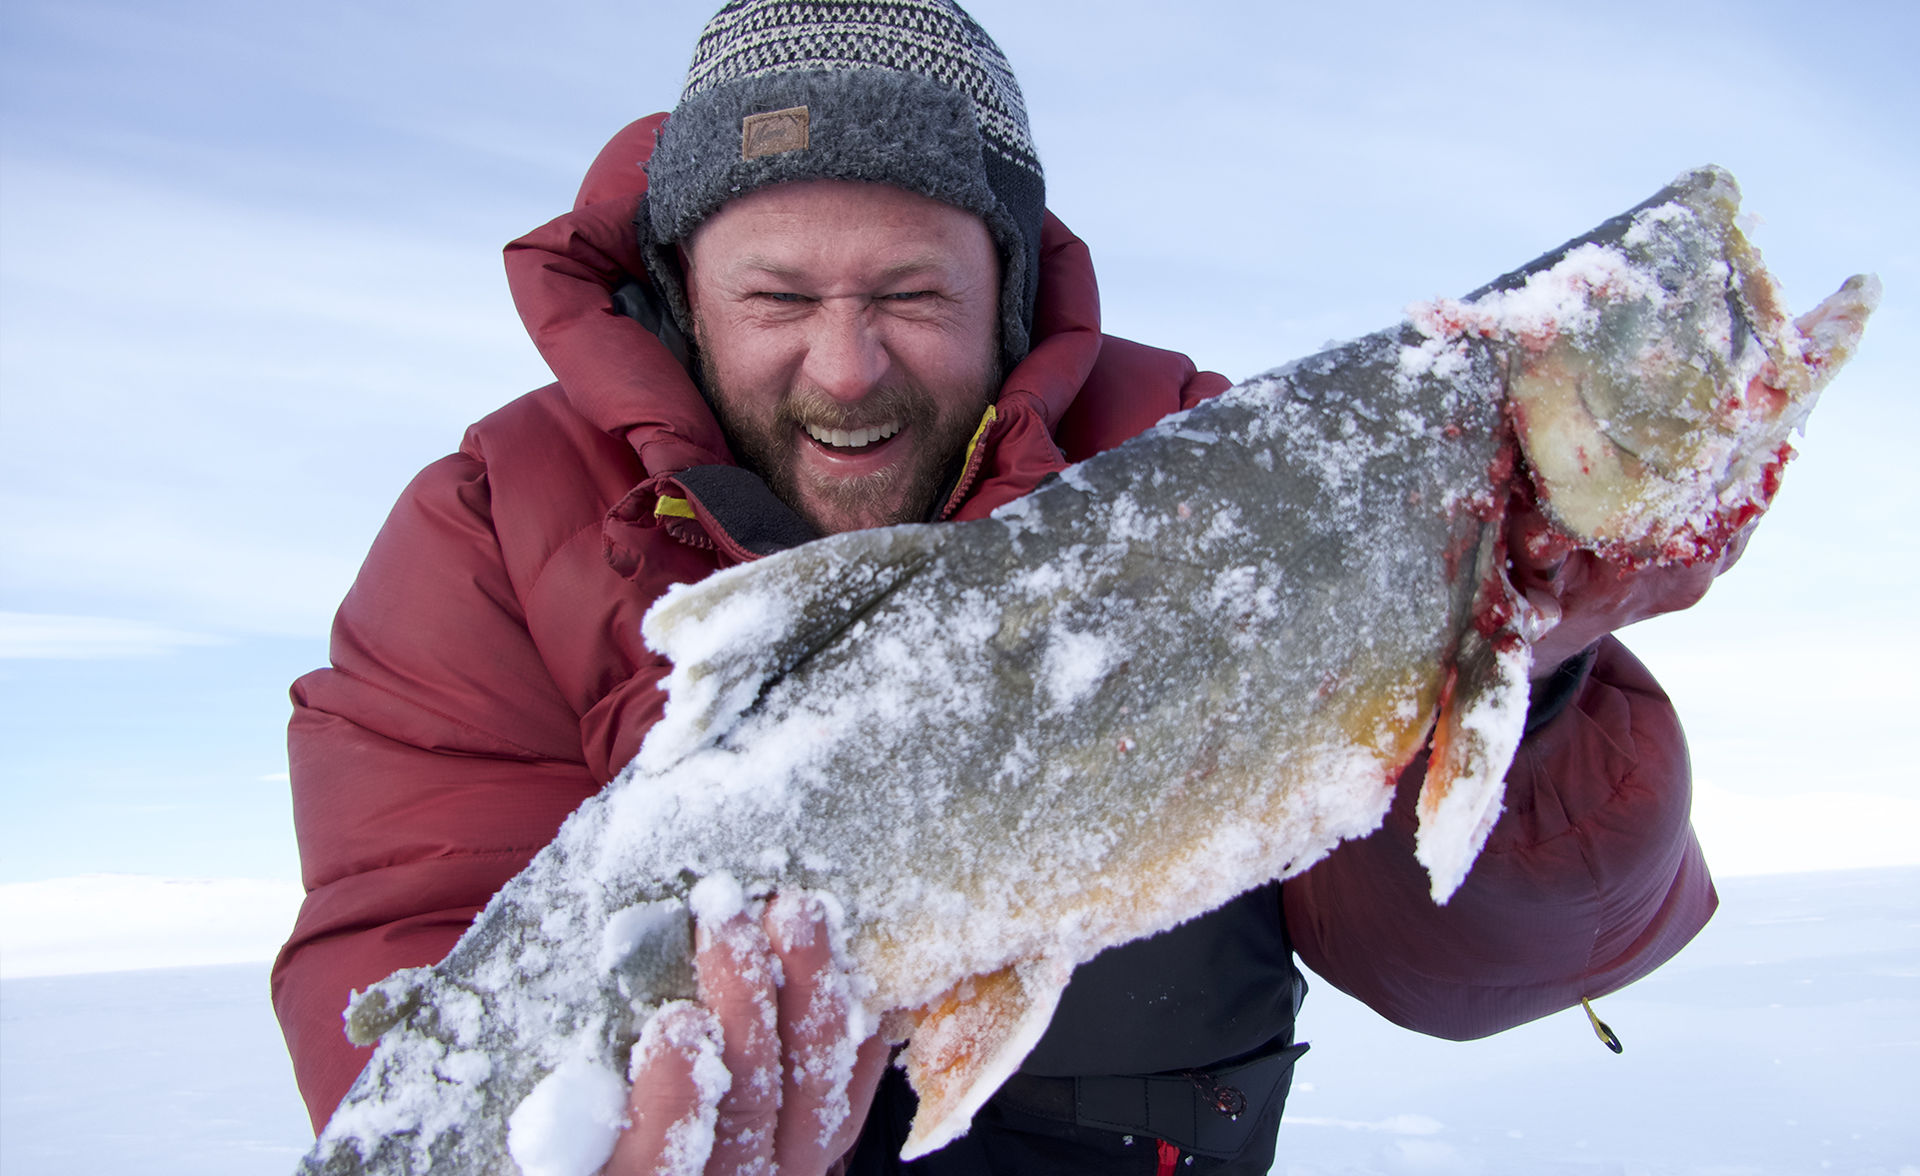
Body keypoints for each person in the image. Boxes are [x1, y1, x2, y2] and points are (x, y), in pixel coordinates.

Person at [272, 1, 1731, 1172]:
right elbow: (421, 971)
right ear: (681, 292)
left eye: (912, 295)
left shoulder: (1205, 461)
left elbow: (1448, 958)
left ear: (1009, 286)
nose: (846, 370)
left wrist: (1529, 671)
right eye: (777, 300)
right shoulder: (490, 529)